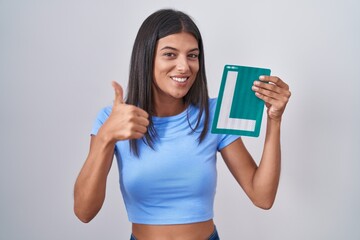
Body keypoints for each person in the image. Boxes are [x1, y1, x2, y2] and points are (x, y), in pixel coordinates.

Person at [73, 9, 291, 240]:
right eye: (170, 54)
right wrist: (106, 137)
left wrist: (274, 120)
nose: (184, 66)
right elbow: (84, 212)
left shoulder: (214, 113)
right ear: (146, 58)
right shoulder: (115, 119)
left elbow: (262, 197)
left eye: (192, 55)